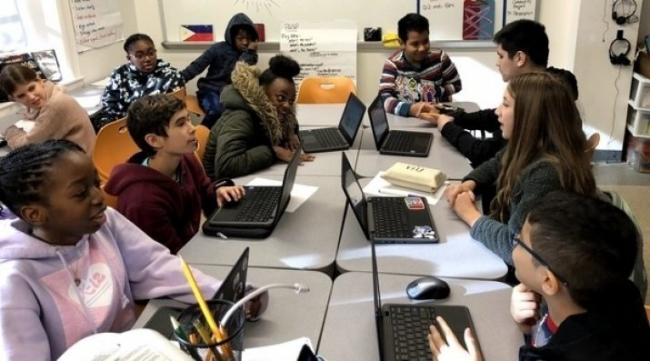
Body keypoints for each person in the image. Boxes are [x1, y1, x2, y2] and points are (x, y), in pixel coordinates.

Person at [0, 140, 266, 361]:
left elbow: (157, 266)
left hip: (139, 347)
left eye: (96, 183)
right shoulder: (14, 282)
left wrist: (227, 295)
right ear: (35, 214)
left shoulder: (105, 223)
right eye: (81, 193)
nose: (98, 198)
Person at [427, 191, 650, 361]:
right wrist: (531, 327)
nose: (513, 243)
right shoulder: (620, 295)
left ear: (547, 280)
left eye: (520, 241)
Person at [445, 72, 596, 266]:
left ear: (530, 117)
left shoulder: (546, 174)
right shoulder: (533, 146)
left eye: (506, 105)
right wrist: (470, 183)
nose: (498, 112)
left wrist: (470, 215)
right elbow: (498, 162)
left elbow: (517, 250)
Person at [104, 94, 244, 253]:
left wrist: (218, 192)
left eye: (189, 119)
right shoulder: (142, 202)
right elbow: (170, 260)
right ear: (154, 141)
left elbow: (206, 193)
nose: (192, 128)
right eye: (181, 124)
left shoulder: (185, 159)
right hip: (175, 266)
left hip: (194, 247)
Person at [434, 19, 555, 168]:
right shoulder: (540, 89)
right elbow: (492, 118)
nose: (497, 63)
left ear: (519, 58)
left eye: (501, 56)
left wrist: (447, 127)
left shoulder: (540, 102)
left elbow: (485, 154)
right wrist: (451, 116)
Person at [203, 54, 315, 180]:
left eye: (290, 100)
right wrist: (273, 152)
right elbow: (226, 166)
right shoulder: (240, 117)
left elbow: (287, 119)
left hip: (246, 179)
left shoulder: (270, 112)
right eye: (281, 98)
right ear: (261, 92)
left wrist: (291, 132)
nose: (286, 106)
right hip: (220, 189)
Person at [378, 13, 462, 122]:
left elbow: (457, 85)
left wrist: (435, 92)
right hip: (406, 120)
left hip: (437, 118)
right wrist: (411, 109)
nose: (422, 48)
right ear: (402, 43)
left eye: (425, 41)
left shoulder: (441, 58)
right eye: (415, 44)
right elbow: (384, 97)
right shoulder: (392, 64)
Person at [181, 13, 259, 129]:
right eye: (240, 38)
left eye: (248, 38)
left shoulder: (249, 55)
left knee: (248, 115)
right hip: (210, 90)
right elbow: (197, 66)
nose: (245, 42)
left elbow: (239, 71)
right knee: (217, 111)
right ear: (232, 37)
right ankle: (200, 135)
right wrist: (178, 79)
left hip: (231, 93)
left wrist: (250, 52)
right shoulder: (217, 49)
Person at [96, 33, 185, 130]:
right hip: (126, 129)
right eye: (140, 56)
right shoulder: (120, 75)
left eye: (151, 53)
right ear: (129, 58)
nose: (147, 59)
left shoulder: (170, 75)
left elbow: (175, 111)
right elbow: (110, 106)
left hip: (160, 129)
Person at [0, 64, 95, 153]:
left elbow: (27, 147)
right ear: (13, 99)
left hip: (84, 165)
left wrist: (9, 132)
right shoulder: (55, 92)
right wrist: (34, 115)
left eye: (31, 88)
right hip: (88, 155)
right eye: (21, 96)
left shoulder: (54, 106)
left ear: (40, 81)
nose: (31, 97)